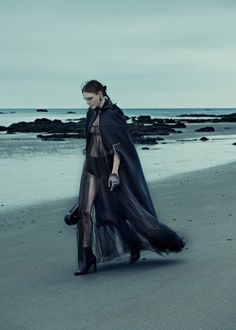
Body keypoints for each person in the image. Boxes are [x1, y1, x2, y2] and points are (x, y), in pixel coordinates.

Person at [73, 79, 185, 276]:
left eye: (90, 98)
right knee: (84, 212)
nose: (88, 102)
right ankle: (87, 256)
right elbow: (90, 141)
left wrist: (115, 173)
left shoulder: (114, 115)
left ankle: (134, 243)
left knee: (119, 212)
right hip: (91, 167)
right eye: (85, 100)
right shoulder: (90, 113)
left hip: (110, 170)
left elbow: (119, 148)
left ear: (100, 93)